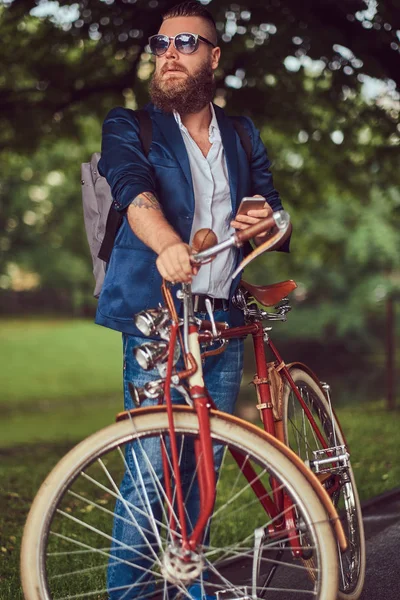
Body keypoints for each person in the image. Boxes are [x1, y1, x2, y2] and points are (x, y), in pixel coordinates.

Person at [96, 2, 291, 598]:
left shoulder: (240, 131)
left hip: (224, 316)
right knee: (153, 468)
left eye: (186, 42)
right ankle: (126, 594)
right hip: (160, 316)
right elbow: (133, 189)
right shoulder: (132, 125)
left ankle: (184, 583)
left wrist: (262, 217)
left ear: (213, 57)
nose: (170, 54)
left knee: (198, 466)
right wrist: (168, 246)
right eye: (161, 44)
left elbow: (271, 205)